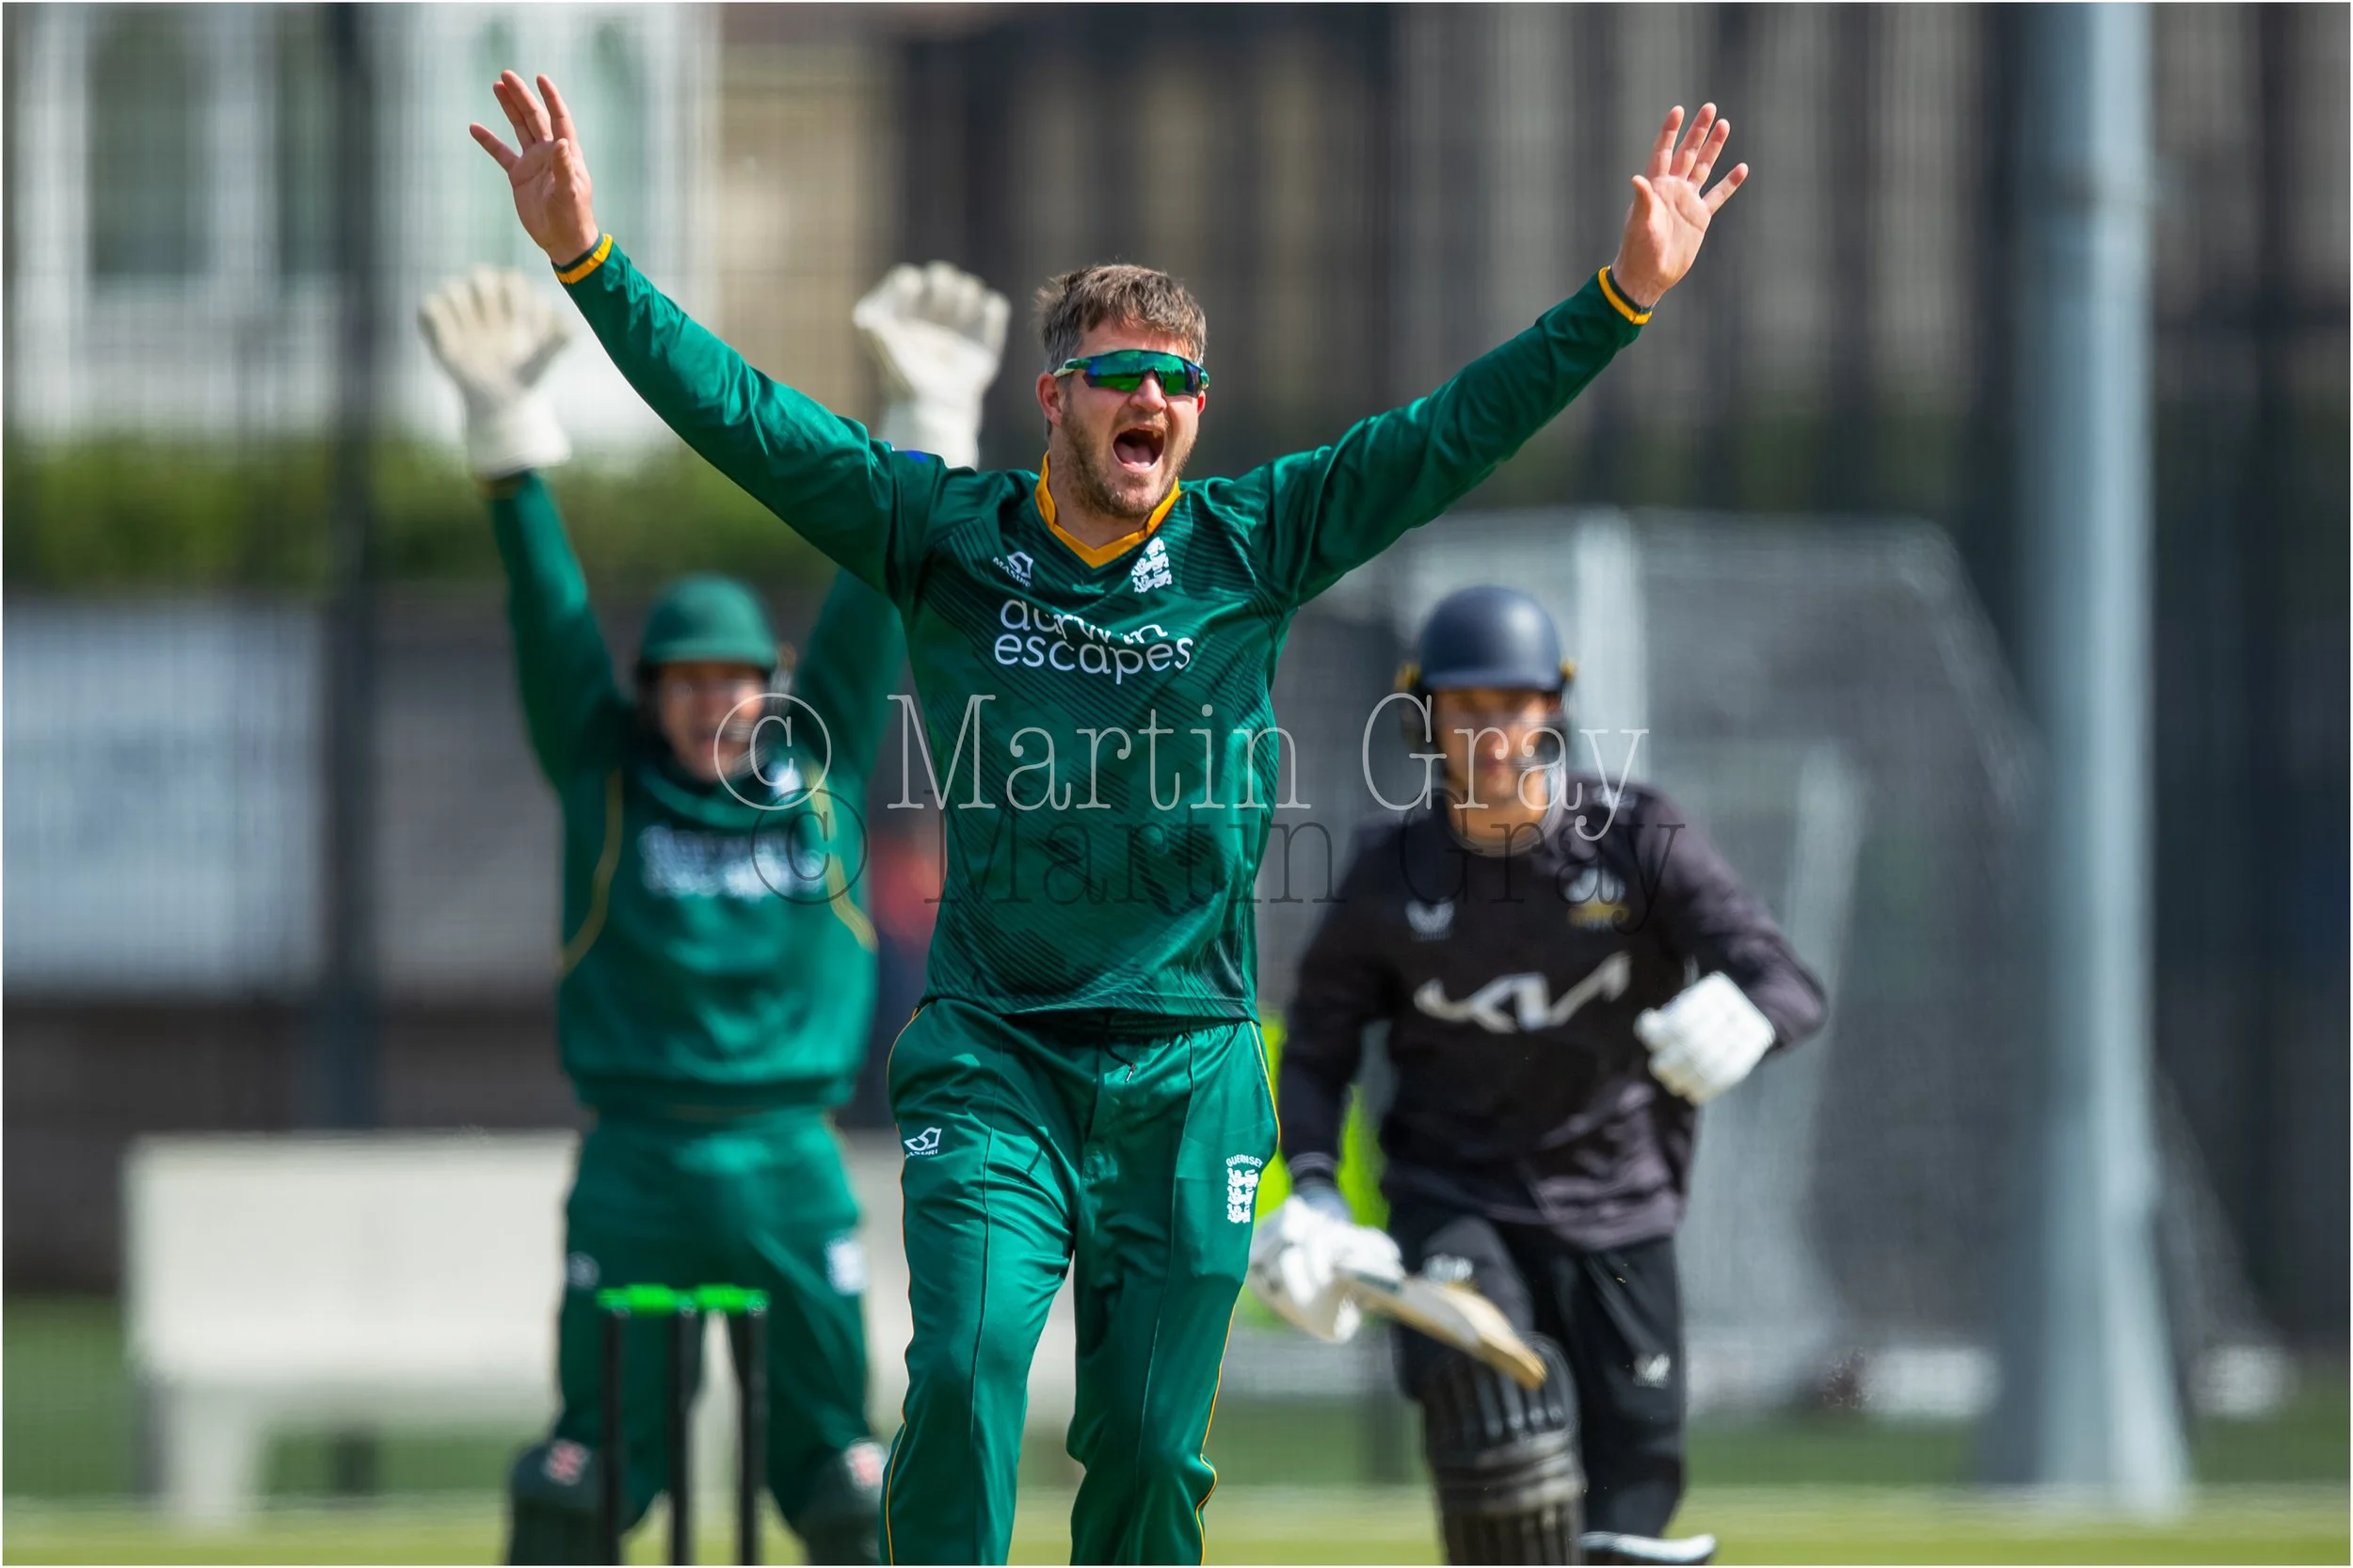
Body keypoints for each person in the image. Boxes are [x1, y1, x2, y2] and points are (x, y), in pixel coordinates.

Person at [468, 69, 1748, 1565]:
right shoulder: (937, 536)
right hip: (996, 1049)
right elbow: (746, 419)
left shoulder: (1254, 540)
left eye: (1181, 381)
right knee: (956, 1374)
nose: (1155, 401)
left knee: (1146, 1450)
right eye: (1123, 372)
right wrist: (589, 265)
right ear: (1054, 395)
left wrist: (1621, 296)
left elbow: (1448, 430)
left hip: (1190, 1069)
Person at [417, 259, 1007, 1563]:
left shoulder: (824, 762)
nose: (705, 703)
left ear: (772, 682)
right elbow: (549, 619)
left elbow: (879, 586)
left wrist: (928, 436)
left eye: (730, 679)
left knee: (850, 1487)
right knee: (575, 1485)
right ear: (649, 694)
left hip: (788, 1163)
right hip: (634, 1159)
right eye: (680, 682)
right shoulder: (604, 771)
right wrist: (508, 454)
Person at [1250, 586, 1828, 1565]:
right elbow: (1315, 1050)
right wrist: (1313, 1190)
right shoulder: (1389, 874)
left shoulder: (1637, 838)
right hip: (1454, 1198)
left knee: (1634, 1493)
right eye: (1465, 706)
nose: (1491, 730)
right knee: (1497, 1417)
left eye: (1512, 704)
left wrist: (1750, 1013)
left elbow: (1786, 980)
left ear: (1550, 708)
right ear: (1424, 711)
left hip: (1619, 1203)